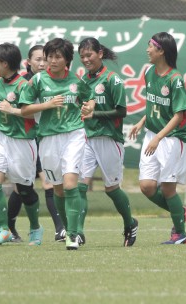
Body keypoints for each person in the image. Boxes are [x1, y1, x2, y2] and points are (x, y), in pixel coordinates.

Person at [19, 38, 95, 250]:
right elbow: (24, 109)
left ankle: (72, 234)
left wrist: (89, 108)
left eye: (57, 57)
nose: (51, 61)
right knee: (59, 190)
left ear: (67, 60)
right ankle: (66, 228)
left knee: (71, 184)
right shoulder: (37, 81)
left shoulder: (76, 81)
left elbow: (89, 99)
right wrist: (47, 104)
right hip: (48, 138)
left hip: (74, 134)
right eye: (49, 57)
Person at [128, 32, 186, 245]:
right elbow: (155, 106)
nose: (147, 50)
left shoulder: (175, 79)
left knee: (167, 188)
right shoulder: (149, 72)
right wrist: (141, 122)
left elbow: (178, 115)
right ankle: (179, 211)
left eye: (151, 46)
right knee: (146, 186)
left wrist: (159, 138)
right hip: (152, 134)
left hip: (172, 138)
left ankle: (180, 234)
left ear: (162, 51)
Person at [0, 43, 43, 246]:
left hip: (22, 141)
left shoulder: (25, 86)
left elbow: (34, 113)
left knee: (24, 189)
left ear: (5, 63)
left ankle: (35, 227)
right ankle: (4, 228)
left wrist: (12, 109)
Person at [77, 37, 138, 247]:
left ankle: (130, 223)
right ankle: (77, 232)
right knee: (79, 186)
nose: (86, 59)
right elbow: (81, 106)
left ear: (100, 54)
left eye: (89, 55)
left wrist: (95, 114)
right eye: (82, 56)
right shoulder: (83, 81)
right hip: (87, 139)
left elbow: (122, 111)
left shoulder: (113, 79)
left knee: (111, 189)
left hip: (110, 139)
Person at [6, 45, 66, 243]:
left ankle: (60, 230)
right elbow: (16, 110)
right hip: (27, 138)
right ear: (28, 63)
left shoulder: (53, 80)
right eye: (38, 59)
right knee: (21, 186)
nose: (42, 63)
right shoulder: (23, 83)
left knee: (50, 183)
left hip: (47, 137)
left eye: (45, 59)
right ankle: (9, 227)